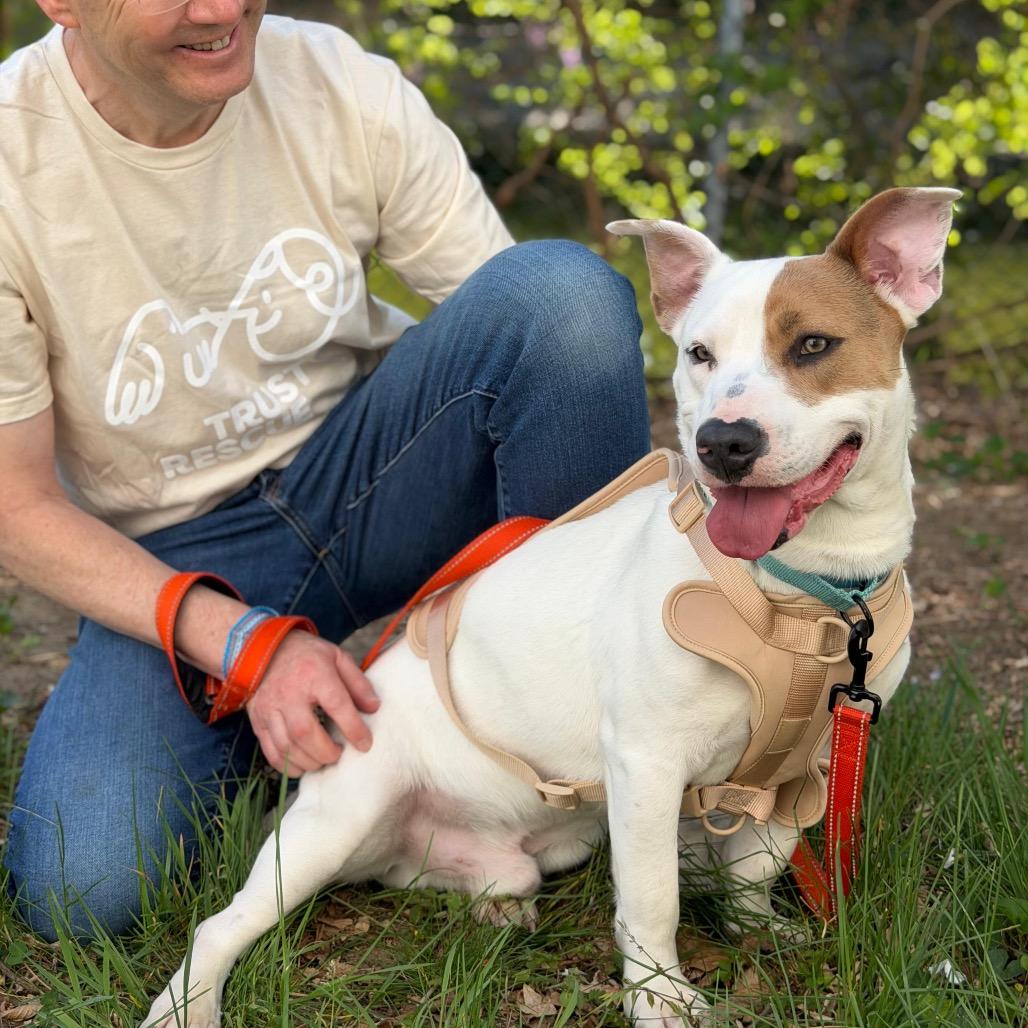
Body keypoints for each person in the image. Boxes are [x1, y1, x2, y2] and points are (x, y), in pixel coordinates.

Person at [0, 0, 650, 941]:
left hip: (380, 468)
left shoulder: (337, 80)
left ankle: (600, 732)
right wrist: (248, 647)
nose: (220, 10)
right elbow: (16, 508)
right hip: (182, 553)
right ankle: (315, 736)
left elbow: (532, 333)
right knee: (83, 886)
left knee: (567, 298)